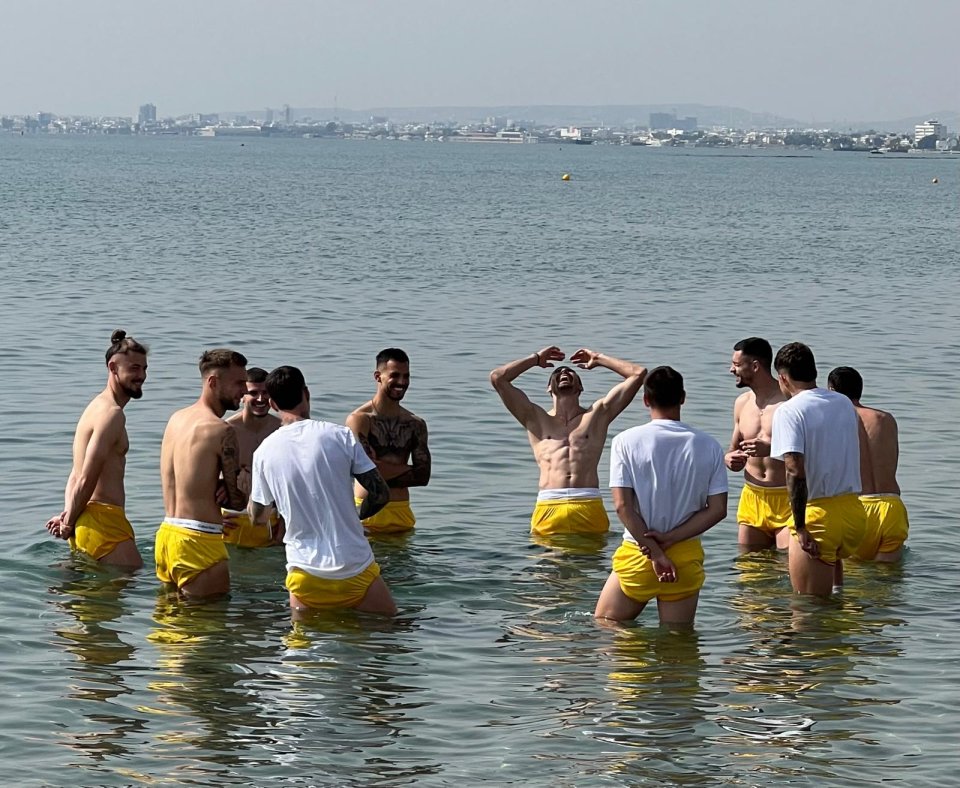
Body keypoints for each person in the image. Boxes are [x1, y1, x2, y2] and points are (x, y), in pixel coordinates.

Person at [248, 366, 396, 617]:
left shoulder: (263, 452)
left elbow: (258, 518)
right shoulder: (340, 436)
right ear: (306, 392)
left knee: (303, 649)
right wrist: (353, 519)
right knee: (388, 638)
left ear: (272, 403)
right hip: (355, 567)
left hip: (304, 574)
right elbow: (380, 493)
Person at [594, 367, 727, 625]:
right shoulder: (708, 445)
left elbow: (623, 507)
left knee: (608, 628)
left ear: (645, 400)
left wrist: (655, 552)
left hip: (639, 553)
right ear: (683, 398)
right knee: (679, 647)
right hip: (685, 557)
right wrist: (670, 540)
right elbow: (717, 509)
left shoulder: (625, 441)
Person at [490, 347, 647, 538]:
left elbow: (638, 374)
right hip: (549, 506)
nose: (564, 372)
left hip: (588, 503)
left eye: (570, 372)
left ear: (580, 387)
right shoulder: (534, 418)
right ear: (549, 388)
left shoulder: (597, 415)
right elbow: (498, 378)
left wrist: (599, 359)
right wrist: (536, 359)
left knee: (591, 565)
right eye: (557, 372)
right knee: (547, 566)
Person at [45, 330, 148, 569]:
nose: (141, 375)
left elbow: (75, 472)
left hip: (87, 520)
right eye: (134, 368)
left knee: (91, 602)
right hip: (103, 523)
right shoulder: (112, 415)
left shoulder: (95, 407)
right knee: (132, 585)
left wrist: (68, 514)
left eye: (144, 368)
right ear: (113, 368)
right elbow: (86, 475)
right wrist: (68, 523)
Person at [770, 343, 867, 596]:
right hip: (852, 513)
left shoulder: (789, 411)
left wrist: (800, 527)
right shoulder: (844, 403)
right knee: (836, 599)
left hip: (818, 517)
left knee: (808, 613)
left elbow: (794, 470)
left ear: (783, 378)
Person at [155, 349, 249, 598]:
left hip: (167, 536)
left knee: (170, 629)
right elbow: (237, 502)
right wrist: (246, 478)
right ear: (213, 382)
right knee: (209, 627)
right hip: (200, 540)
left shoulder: (176, 419)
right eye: (239, 383)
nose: (245, 390)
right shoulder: (221, 430)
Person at [346, 349, 430, 534]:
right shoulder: (360, 419)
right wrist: (408, 469)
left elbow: (423, 476)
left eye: (406, 376)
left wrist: (378, 468)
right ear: (378, 376)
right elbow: (364, 472)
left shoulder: (415, 424)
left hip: (401, 513)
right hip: (367, 513)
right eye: (395, 375)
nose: (402, 382)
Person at [828, 366, 908, 561]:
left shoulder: (834, 421)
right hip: (891, 507)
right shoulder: (886, 419)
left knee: (854, 582)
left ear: (831, 391)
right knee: (885, 583)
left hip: (858, 507)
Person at [724, 337, 791, 551]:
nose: (731, 370)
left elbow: (813, 451)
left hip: (786, 498)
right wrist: (729, 458)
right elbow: (733, 448)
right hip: (752, 497)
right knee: (749, 570)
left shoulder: (788, 403)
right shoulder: (742, 403)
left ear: (755, 366)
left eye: (736, 365)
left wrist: (772, 449)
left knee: (787, 567)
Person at [223, 367, 282, 548]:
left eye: (265, 393)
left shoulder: (280, 430)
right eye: (253, 393)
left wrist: (285, 527)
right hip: (233, 520)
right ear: (242, 396)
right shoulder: (226, 430)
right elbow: (203, 478)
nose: (260, 398)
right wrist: (212, 519)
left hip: (272, 520)